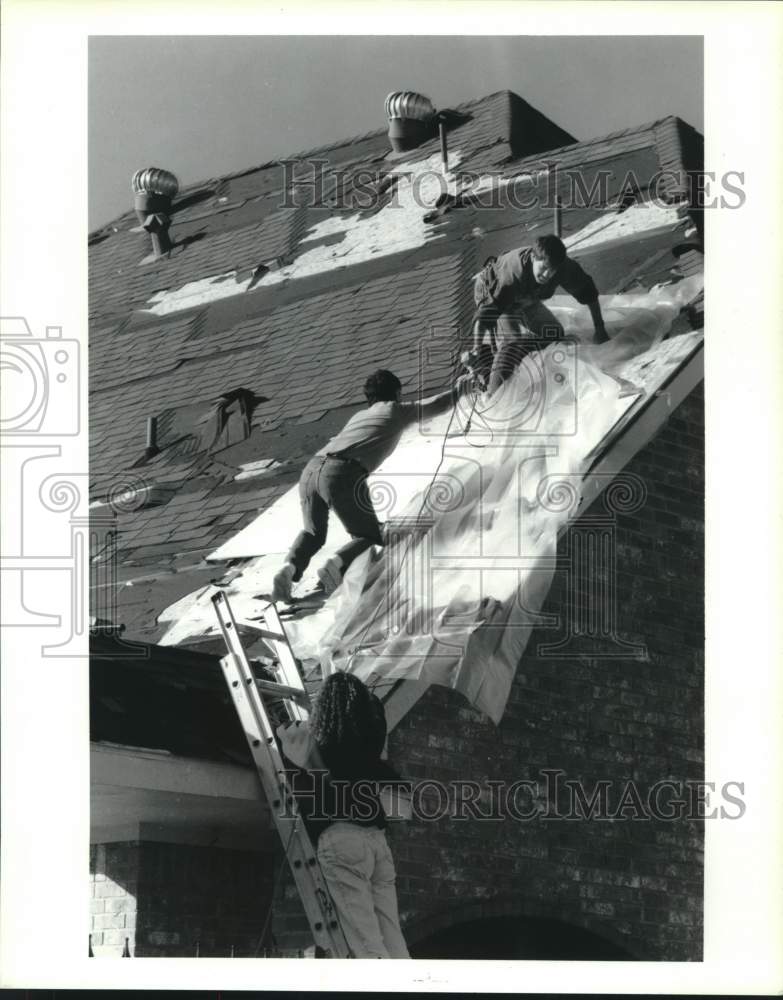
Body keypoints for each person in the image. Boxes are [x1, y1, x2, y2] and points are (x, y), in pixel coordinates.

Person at [271, 367, 472, 603]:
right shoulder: (395, 410)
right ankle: (335, 565)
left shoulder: (358, 417)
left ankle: (288, 569)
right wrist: (460, 390)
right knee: (367, 536)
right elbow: (436, 405)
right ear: (396, 392)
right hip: (341, 472)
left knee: (312, 533)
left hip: (311, 469)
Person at [276, 671, 412, 959]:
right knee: (394, 943)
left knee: (367, 946)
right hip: (377, 843)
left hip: (341, 841)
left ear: (323, 707)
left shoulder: (316, 747)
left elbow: (285, 735)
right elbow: (374, 710)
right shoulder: (369, 742)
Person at [462, 234, 609, 396]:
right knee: (512, 342)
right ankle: (490, 391)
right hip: (494, 292)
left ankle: (498, 355)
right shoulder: (510, 276)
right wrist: (475, 349)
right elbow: (484, 317)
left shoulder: (564, 268)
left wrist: (600, 328)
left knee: (554, 334)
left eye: (552, 271)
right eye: (544, 268)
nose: (547, 275)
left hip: (527, 298)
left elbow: (588, 293)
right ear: (533, 257)